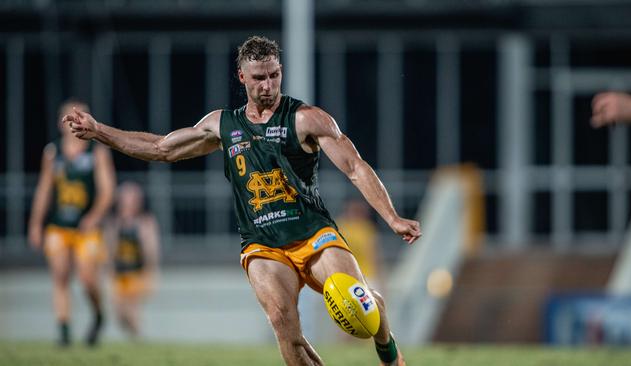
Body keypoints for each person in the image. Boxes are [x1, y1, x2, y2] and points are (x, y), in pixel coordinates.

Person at [65, 36, 421, 365]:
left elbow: (356, 167)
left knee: (360, 309)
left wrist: (392, 218)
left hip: (315, 234)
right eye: (258, 78)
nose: (267, 86)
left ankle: (387, 346)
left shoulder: (306, 119)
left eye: (274, 75)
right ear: (242, 77)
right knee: (284, 324)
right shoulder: (223, 125)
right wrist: (99, 131)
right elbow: (161, 148)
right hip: (262, 245)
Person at [28, 100, 116, 347]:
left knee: (88, 278)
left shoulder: (96, 152)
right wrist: (35, 224)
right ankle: (64, 330)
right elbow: (44, 190)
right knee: (60, 274)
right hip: (59, 226)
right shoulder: (52, 153)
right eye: (70, 117)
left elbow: (107, 191)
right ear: (61, 122)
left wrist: (93, 217)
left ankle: (98, 314)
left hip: (86, 228)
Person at [105, 181, 160, 339]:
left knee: (132, 309)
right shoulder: (115, 222)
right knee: (119, 314)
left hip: (137, 272)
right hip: (120, 273)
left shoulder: (145, 222)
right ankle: (136, 336)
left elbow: (151, 250)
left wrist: (152, 272)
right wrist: (108, 271)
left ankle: (138, 339)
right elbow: (109, 249)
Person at [337, 199, 382, 288]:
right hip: (346, 276)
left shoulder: (367, 228)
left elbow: (375, 256)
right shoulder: (340, 227)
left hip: (367, 275)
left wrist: (380, 279)